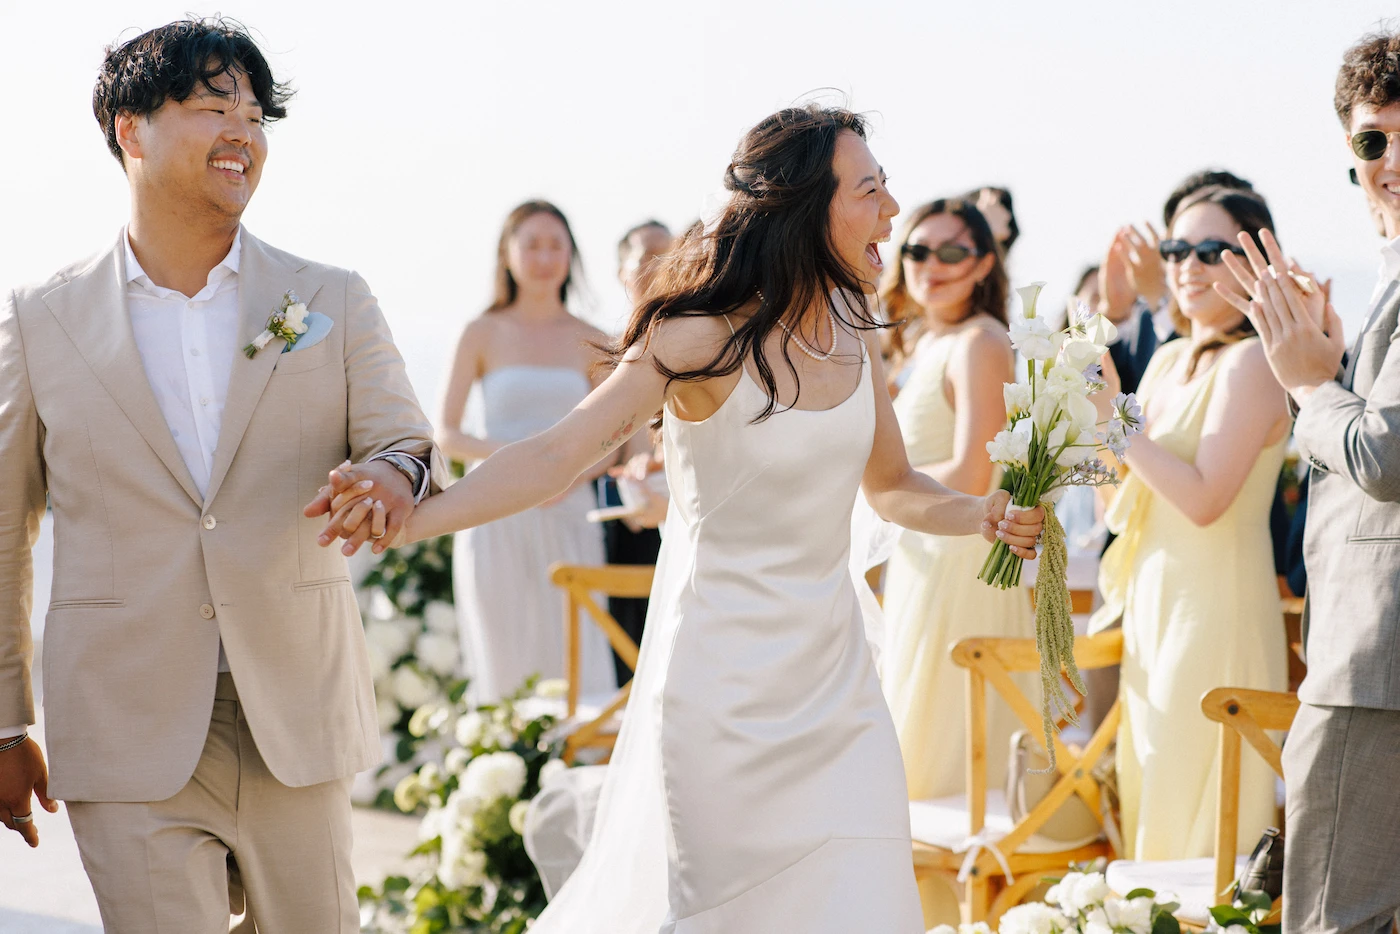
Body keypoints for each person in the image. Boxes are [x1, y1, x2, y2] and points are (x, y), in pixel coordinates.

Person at [317, 104, 1046, 933]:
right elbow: (556, 454)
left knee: (865, 901)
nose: (891, 209)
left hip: (839, 694)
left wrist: (980, 513)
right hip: (718, 696)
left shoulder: (856, 331)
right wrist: (413, 518)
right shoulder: (693, 337)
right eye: (871, 190)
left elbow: (893, 487)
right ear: (807, 207)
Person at [0, 19, 442, 931]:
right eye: (213, 106)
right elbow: (7, 532)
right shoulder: (40, 320)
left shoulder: (330, 297)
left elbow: (406, 440)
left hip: (294, 710)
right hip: (124, 724)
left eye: (256, 112)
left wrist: (393, 478)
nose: (243, 130)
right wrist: (5, 721)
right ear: (131, 129)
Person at [1215, 28, 1400, 933]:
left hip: (1378, 664)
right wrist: (1331, 363)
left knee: (1333, 918)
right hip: (1364, 648)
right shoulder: (1381, 279)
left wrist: (1305, 378)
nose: (1391, 159)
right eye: (1373, 140)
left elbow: (1383, 458)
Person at [1091, 184, 1290, 861]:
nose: (1187, 266)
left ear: (1256, 261)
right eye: (1178, 249)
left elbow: (1206, 500)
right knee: (1148, 784)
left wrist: (1114, 419)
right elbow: (1125, 499)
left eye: (1211, 250)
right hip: (1152, 604)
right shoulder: (1171, 359)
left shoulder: (1255, 361)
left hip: (1215, 610)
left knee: (1205, 807)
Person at [875, 198, 1032, 804]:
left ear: (984, 263)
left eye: (951, 252)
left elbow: (973, 472)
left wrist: (878, 489)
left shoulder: (980, 342)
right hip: (919, 558)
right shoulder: (917, 344)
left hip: (962, 562)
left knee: (945, 761)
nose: (930, 265)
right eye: (916, 250)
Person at [434, 201, 617, 705]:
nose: (544, 256)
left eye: (555, 244)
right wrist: (523, 466)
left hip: (569, 512)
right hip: (493, 512)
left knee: (578, 657)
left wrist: (565, 476)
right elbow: (446, 433)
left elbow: (616, 435)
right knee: (503, 662)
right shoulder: (481, 332)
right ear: (507, 255)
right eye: (531, 244)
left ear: (571, 256)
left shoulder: (594, 339)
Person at [600, 220, 673, 685]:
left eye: (669, 256)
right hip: (618, 507)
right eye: (646, 257)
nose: (660, 268)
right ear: (621, 270)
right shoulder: (605, 344)